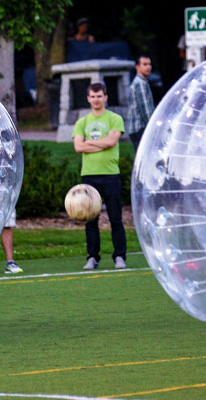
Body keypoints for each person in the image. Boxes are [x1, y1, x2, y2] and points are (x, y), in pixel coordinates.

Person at [72, 83, 127, 270]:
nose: (96, 99)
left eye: (99, 96)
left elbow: (112, 141)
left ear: (106, 97)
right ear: (88, 98)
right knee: (90, 220)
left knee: (115, 218)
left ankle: (119, 256)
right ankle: (92, 258)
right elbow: (78, 147)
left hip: (110, 174)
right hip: (89, 175)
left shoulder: (115, 118)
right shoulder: (82, 122)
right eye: (93, 96)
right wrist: (100, 144)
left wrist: (90, 142)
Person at [126, 55, 155, 153]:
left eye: (149, 64)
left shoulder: (142, 82)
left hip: (138, 128)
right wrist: (153, 127)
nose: (148, 67)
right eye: (145, 64)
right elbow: (146, 110)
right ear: (137, 67)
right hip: (140, 128)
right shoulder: (140, 84)